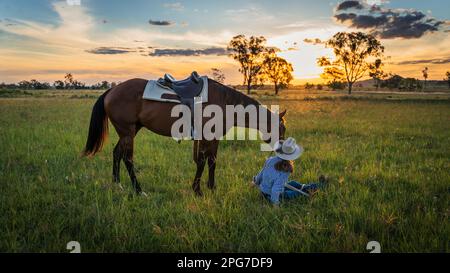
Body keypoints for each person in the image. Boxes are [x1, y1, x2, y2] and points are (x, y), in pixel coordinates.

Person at [252, 137, 328, 206]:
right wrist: (275, 204)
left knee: (293, 183)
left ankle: (312, 186)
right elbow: (275, 189)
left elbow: (262, 172)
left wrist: (255, 181)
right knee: (294, 193)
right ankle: (318, 187)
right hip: (270, 195)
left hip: (263, 191)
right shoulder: (285, 170)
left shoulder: (270, 159)